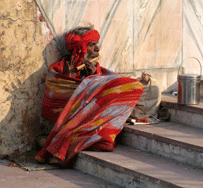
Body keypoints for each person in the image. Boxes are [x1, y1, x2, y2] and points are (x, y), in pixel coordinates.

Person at [35, 25, 144, 166]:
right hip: (69, 114)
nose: (97, 49)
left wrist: (94, 77)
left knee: (134, 86)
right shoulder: (57, 69)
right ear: (80, 48)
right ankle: (65, 142)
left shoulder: (94, 67)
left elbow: (100, 89)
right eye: (92, 45)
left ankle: (64, 140)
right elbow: (52, 103)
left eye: (96, 45)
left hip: (87, 114)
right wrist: (71, 77)